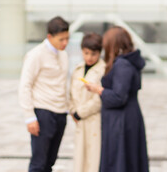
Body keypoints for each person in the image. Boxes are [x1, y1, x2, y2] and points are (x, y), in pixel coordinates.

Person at [85, 26, 149, 172]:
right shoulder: (129, 61)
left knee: (119, 161)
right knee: (127, 160)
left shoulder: (122, 64)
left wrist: (98, 90)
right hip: (126, 118)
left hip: (121, 121)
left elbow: (119, 97)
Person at [18, 16, 70, 172]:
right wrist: (29, 117)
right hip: (43, 113)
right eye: (61, 39)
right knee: (38, 163)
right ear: (49, 37)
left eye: (67, 38)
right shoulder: (36, 55)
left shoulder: (63, 54)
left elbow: (62, 84)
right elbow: (25, 85)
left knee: (50, 162)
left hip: (61, 114)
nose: (65, 43)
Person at [69, 33, 105, 172]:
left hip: (94, 120)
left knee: (93, 160)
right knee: (80, 160)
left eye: (93, 54)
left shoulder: (104, 70)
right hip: (79, 120)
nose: (89, 57)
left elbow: (100, 99)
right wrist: (73, 111)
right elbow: (71, 93)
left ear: (100, 53)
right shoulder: (77, 69)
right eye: (86, 53)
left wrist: (80, 112)